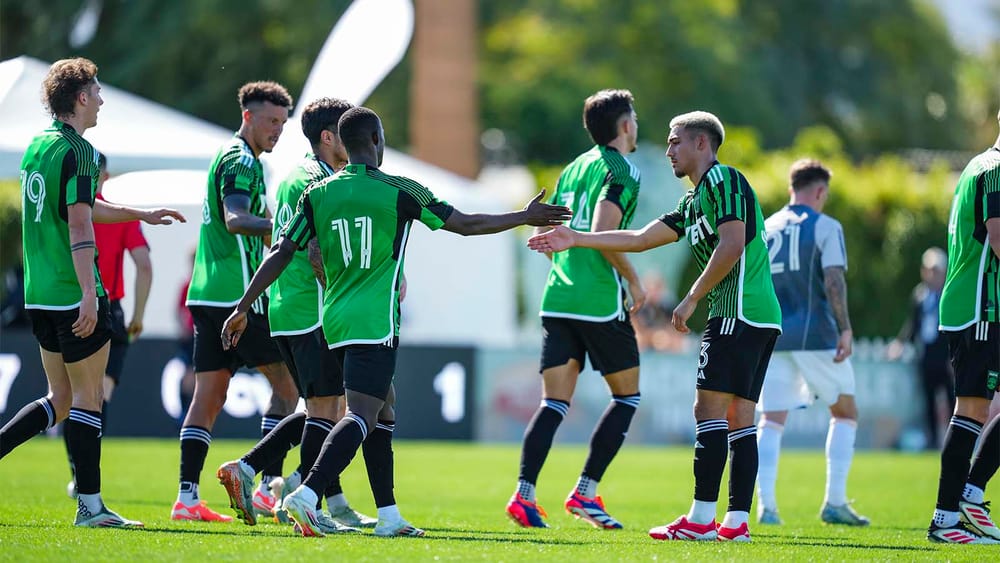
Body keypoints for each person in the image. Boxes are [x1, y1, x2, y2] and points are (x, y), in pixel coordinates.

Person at [222, 106, 572, 537]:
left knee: (381, 408)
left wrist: (243, 306)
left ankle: (388, 516)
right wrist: (522, 217)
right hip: (375, 320)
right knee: (361, 415)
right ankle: (307, 494)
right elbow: (464, 224)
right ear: (374, 141)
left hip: (331, 319)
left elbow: (280, 250)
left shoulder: (320, 193)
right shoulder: (400, 189)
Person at [528, 111, 781, 543]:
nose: (668, 150)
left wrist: (691, 298)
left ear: (702, 144)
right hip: (753, 314)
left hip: (738, 310)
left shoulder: (724, 182)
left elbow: (733, 242)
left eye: (675, 141)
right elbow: (641, 237)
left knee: (708, 411)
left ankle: (701, 519)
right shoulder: (694, 199)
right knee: (740, 417)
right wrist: (579, 238)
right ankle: (735, 523)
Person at [0, 57, 184, 527]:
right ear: (80, 97)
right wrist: (88, 293)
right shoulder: (81, 150)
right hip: (72, 293)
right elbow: (80, 222)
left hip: (40, 295)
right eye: (97, 91)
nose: (102, 99)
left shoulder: (37, 147)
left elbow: (83, 207)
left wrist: (140, 214)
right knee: (87, 398)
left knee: (59, 398)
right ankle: (92, 507)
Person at [217, 97, 375, 533]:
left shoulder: (293, 176)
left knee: (323, 409)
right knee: (328, 411)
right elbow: (315, 250)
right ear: (329, 137)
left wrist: (247, 306)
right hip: (313, 309)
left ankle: (252, 472)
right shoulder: (321, 180)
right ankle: (306, 503)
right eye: (345, 133)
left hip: (286, 308)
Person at [506, 89, 644, 530]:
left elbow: (551, 235)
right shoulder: (622, 170)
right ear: (624, 126)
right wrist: (634, 279)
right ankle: (585, 492)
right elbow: (605, 232)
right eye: (634, 119)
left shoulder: (572, 168)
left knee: (554, 404)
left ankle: (524, 497)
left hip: (559, 297)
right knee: (626, 397)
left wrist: (565, 265)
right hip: (599, 301)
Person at [174, 81, 300, 522]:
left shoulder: (229, 157)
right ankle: (266, 487)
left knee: (208, 396)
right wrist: (284, 232)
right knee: (290, 387)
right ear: (247, 116)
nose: (276, 130)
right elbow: (235, 220)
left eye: (282, 123)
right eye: (270, 121)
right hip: (237, 297)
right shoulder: (241, 160)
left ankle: (187, 499)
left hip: (206, 293)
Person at [754, 159, 869, 527]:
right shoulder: (826, 226)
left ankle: (766, 507)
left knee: (770, 419)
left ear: (792, 187)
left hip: (772, 334)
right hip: (816, 334)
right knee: (845, 412)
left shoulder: (765, 226)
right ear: (820, 192)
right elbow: (834, 280)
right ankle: (835, 501)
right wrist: (845, 328)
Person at [924, 111, 1000, 544]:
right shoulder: (995, 169)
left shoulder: (979, 165)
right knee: (970, 409)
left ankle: (969, 495)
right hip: (979, 308)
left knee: (974, 408)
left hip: (983, 306)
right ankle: (946, 518)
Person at [64, 152, 153, 499]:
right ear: (106, 176)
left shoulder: (69, 211)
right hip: (110, 309)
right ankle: (85, 477)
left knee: (74, 397)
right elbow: (144, 266)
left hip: (71, 306)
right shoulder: (121, 214)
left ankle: (77, 472)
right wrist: (138, 316)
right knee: (100, 396)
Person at [887, 247, 954, 449]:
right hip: (926, 355)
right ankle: (933, 440)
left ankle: (955, 441)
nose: (932, 275)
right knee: (928, 401)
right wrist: (900, 343)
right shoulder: (919, 295)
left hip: (946, 357)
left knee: (952, 400)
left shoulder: (949, 295)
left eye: (936, 270)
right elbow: (912, 324)